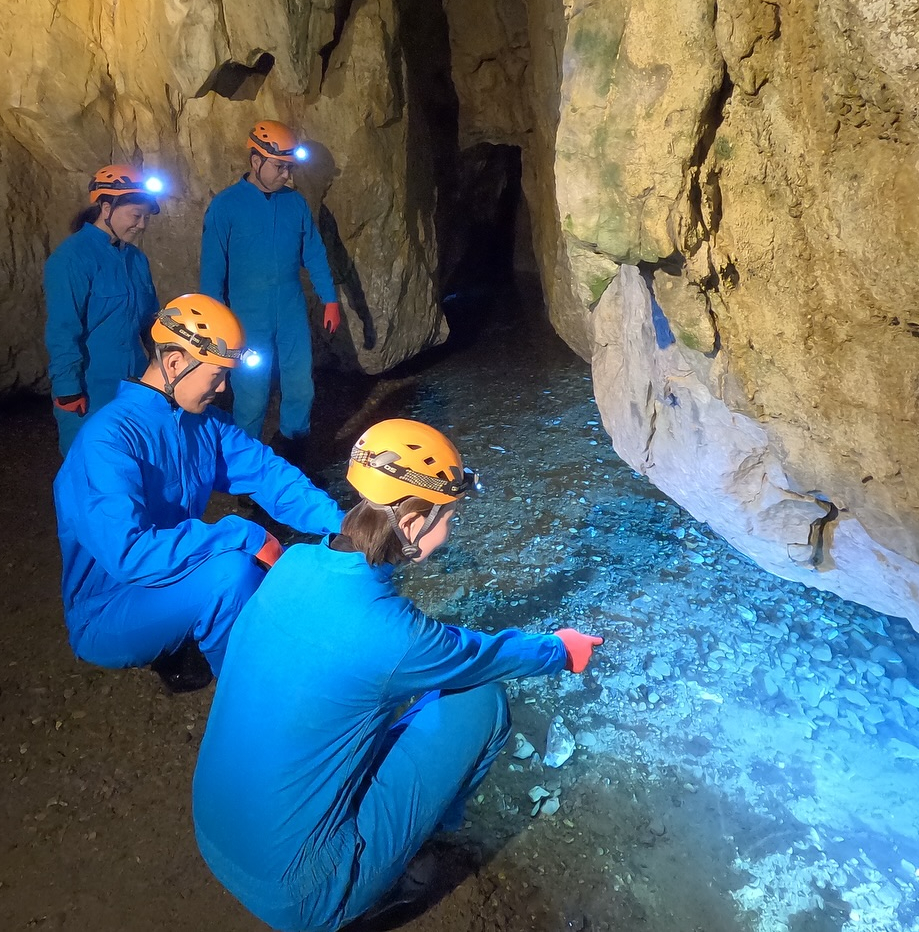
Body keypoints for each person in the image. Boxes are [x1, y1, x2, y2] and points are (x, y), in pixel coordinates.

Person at [191, 418, 603, 932]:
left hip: (214, 831)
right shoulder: (392, 635)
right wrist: (560, 650)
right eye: (448, 517)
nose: (451, 531)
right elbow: (483, 656)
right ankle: (400, 857)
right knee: (481, 701)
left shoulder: (295, 562)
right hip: (298, 892)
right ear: (412, 523)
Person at [53, 293, 344, 693]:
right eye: (216, 375)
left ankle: (242, 661)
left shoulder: (202, 424)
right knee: (233, 572)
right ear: (175, 363)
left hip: (171, 579)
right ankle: (253, 703)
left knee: (258, 571)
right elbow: (129, 553)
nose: (224, 388)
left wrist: (345, 525)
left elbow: (269, 474)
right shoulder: (107, 441)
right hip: (108, 608)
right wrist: (243, 533)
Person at [199, 120, 342, 455]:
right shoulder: (226, 206)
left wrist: (330, 299)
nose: (286, 176)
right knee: (251, 392)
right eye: (280, 167)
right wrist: (212, 324)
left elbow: (315, 252)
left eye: (289, 168)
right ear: (256, 161)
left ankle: (293, 449)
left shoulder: (294, 203)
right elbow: (212, 270)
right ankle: (243, 468)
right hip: (247, 317)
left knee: (300, 385)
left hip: (290, 311)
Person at [43, 164, 163, 456]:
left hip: (132, 384)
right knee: (88, 469)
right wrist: (68, 388)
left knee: (134, 465)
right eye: (136, 216)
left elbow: (151, 320)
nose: (142, 225)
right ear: (106, 207)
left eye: (146, 217)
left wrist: (163, 366)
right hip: (91, 387)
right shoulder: (71, 259)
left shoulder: (136, 259)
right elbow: (62, 329)